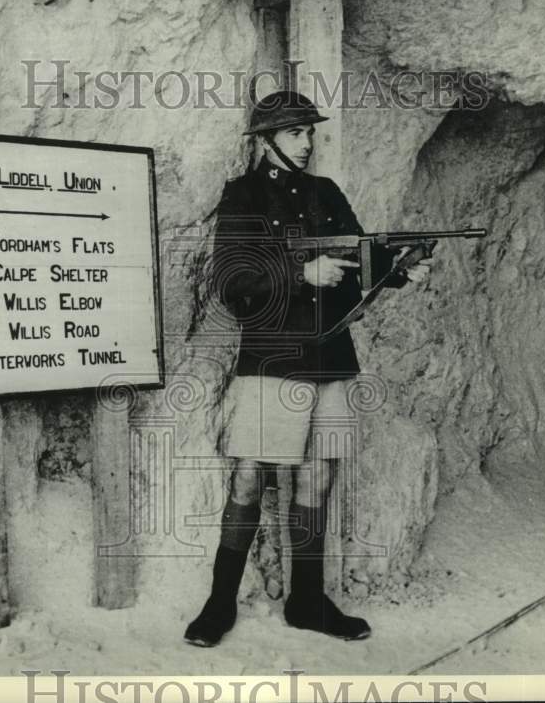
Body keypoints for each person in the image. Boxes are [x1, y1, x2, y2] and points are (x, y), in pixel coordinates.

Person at [184, 91, 432, 647]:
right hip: (272, 354)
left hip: (331, 354)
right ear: (266, 139)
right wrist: (300, 272)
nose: (307, 142)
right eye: (296, 132)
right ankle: (220, 603)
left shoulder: (327, 194)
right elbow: (231, 280)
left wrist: (400, 268)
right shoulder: (243, 196)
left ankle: (307, 601)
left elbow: (361, 261)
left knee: (318, 475)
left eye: (310, 132)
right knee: (250, 474)